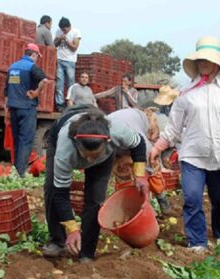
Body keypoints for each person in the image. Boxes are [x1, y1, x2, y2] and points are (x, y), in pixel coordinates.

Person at [149, 36, 220, 253]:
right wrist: (158, 147)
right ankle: (197, 241)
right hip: (193, 155)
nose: (203, 62)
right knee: (192, 197)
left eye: (207, 59)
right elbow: (174, 127)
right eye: (200, 59)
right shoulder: (186, 93)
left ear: (217, 62)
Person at [42, 105, 149, 262]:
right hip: (62, 130)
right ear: (77, 145)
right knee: (51, 188)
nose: (90, 161)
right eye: (86, 155)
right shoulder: (65, 150)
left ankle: (87, 252)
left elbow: (138, 143)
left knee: (95, 199)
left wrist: (140, 175)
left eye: (95, 155)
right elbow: (61, 193)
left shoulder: (117, 131)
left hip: (104, 159)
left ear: (108, 142)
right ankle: (57, 240)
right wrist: (72, 229)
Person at [109, 107, 171, 213]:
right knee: (152, 171)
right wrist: (146, 174)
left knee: (125, 173)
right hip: (117, 139)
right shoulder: (145, 141)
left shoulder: (138, 117)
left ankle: (129, 208)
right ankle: (159, 204)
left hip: (110, 140)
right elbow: (151, 161)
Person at [5, 43, 49, 177]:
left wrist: (5, 112)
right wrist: (36, 93)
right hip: (27, 108)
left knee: (17, 140)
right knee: (26, 141)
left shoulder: (12, 67)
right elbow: (45, 80)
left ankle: (16, 169)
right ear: (34, 54)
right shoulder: (31, 67)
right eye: (37, 57)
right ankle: (20, 172)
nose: (37, 59)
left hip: (13, 108)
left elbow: (6, 91)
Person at [53, 17, 82, 111]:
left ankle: (70, 103)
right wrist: (59, 38)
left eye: (64, 29)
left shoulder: (76, 32)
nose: (63, 31)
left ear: (68, 27)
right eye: (61, 29)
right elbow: (54, 44)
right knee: (59, 83)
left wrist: (66, 40)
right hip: (59, 59)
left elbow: (74, 48)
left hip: (70, 60)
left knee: (70, 83)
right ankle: (59, 104)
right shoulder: (59, 31)